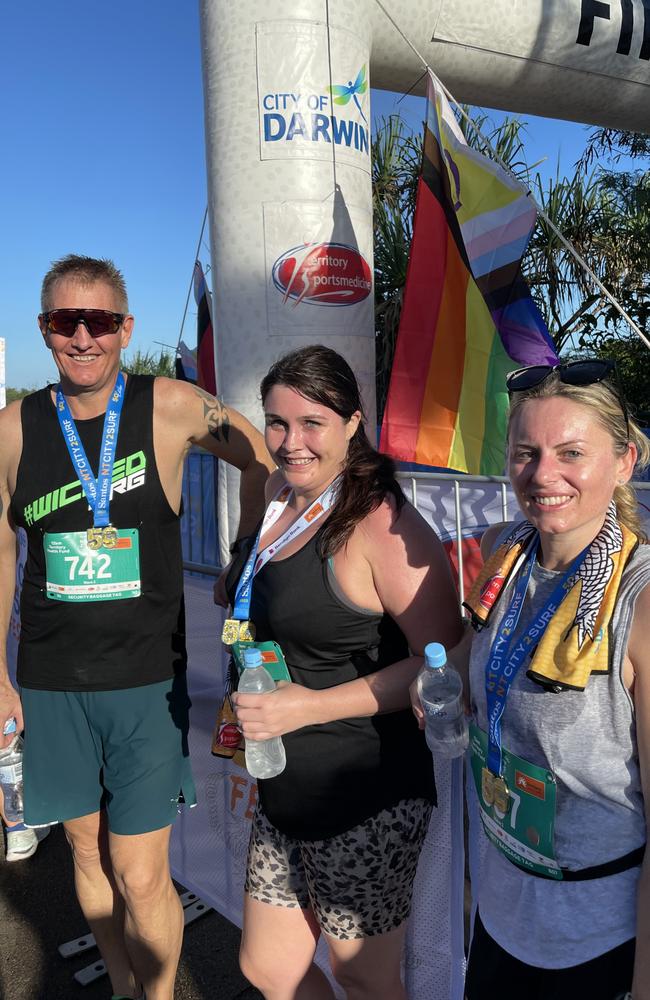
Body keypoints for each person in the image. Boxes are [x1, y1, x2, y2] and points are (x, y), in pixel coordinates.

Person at [0, 255, 274, 1000]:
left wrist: (242, 555)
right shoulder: (12, 430)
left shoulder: (174, 407)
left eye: (100, 322)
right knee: (85, 853)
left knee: (140, 868)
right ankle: (123, 987)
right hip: (52, 680)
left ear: (126, 329)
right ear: (44, 330)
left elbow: (260, 459)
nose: (82, 337)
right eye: (65, 321)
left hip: (148, 679)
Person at [220, 345, 462, 1000]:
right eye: (276, 422)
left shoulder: (382, 525)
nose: (290, 442)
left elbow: (444, 655)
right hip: (282, 779)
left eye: (311, 423)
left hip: (366, 794)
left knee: (362, 976)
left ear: (353, 424)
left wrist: (309, 707)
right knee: (268, 971)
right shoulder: (277, 493)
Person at [414, 359, 650, 1000]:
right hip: (501, 908)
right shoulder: (504, 549)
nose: (543, 475)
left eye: (571, 452)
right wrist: (441, 682)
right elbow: (472, 654)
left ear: (625, 461)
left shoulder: (640, 600)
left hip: (598, 936)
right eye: (526, 452)